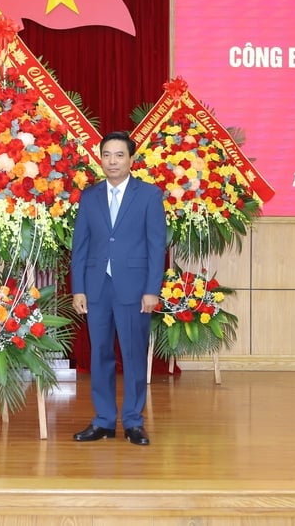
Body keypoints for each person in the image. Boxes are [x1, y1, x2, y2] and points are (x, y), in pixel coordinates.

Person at [70, 131, 167, 446]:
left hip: (135, 289)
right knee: (99, 355)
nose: (112, 161)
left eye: (119, 155)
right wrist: (78, 288)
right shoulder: (90, 196)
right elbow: (80, 247)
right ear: (101, 159)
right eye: (107, 155)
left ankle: (134, 422)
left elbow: (156, 247)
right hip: (97, 288)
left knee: (134, 355)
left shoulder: (149, 195)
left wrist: (152, 289)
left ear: (131, 159)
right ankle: (103, 421)